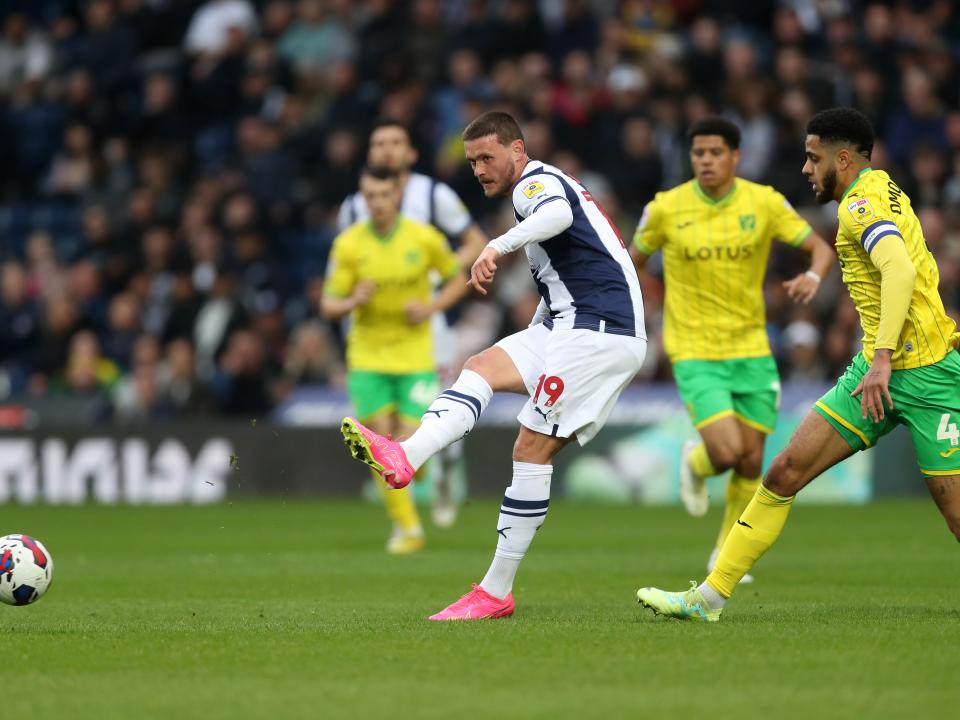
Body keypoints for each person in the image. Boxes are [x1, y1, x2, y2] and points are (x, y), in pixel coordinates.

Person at [637, 107, 960, 622]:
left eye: (813, 159)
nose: (806, 170)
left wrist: (881, 357)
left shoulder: (860, 207)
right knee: (784, 471)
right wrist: (876, 362)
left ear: (844, 158)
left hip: (926, 375)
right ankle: (709, 598)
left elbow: (898, 270)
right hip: (874, 376)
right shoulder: (882, 190)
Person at [340, 111, 647, 620]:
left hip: (599, 331)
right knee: (481, 366)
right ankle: (406, 457)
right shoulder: (537, 186)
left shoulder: (535, 185)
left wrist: (497, 244)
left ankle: (495, 591)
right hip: (567, 324)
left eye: (488, 157)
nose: (480, 169)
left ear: (518, 151)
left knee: (530, 448)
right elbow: (568, 269)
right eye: (472, 161)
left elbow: (558, 220)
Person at [630, 116, 834, 580]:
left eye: (715, 152)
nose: (705, 160)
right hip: (693, 348)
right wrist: (640, 303)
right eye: (698, 153)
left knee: (750, 459)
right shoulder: (666, 207)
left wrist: (813, 276)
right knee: (724, 452)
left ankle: (723, 553)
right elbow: (630, 262)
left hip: (752, 349)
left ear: (735, 157)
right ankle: (696, 461)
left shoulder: (762, 202)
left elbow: (819, 248)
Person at [339, 119, 488, 527]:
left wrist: (434, 273)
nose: (387, 150)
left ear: (410, 153)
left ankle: (441, 468)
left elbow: (474, 242)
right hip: (373, 332)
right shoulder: (354, 207)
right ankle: (406, 517)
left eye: (395, 143)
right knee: (383, 428)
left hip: (428, 323)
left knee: (435, 411)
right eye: (379, 143)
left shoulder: (433, 194)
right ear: (369, 155)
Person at [322, 165, 467, 554]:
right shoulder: (349, 245)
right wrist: (353, 301)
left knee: (408, 446)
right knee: (381, 444)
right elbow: (328, 304)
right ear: (363, 198)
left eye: (385, 196)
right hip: (367, 356)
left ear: (397, 197)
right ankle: (408, 529)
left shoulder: (423, 238)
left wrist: (432, 307)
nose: (378, 204)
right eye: (370, 197)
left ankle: (429, 475)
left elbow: (459, 276)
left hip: (415, 356)